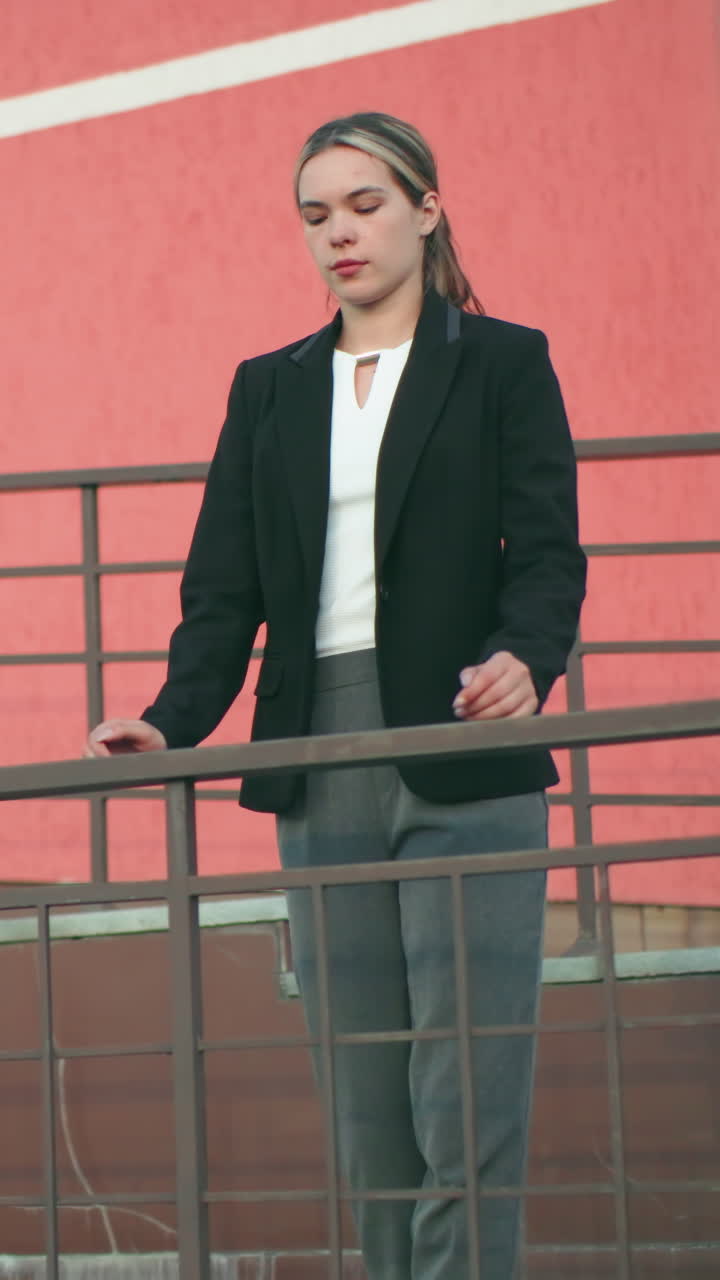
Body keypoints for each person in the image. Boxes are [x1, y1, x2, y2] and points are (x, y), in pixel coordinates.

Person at [85, 111, 586, 1280]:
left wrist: (528, 655)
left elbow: (550, 552)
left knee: (468, 1096)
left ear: (426, 208)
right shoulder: (269, 389)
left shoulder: (505, 360)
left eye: (364, 205)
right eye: (316, 216)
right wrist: (170, 716)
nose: (339, 235)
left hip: (468, 742)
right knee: (366, 1106)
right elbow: (224, 590)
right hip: (319, 753)